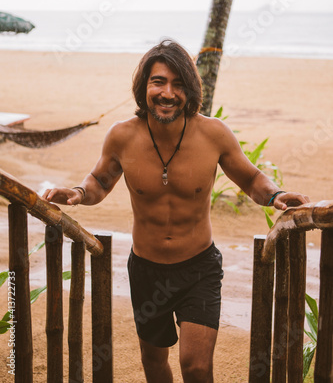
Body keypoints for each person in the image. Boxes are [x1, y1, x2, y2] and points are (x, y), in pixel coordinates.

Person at [43, 39, 309, 383]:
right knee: (154, 365)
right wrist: (78, 192)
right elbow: (99, 181)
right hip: (145, 270)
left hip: (198, 268)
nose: (168, 93)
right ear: (144, 87)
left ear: (190, 89)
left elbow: (251, 177)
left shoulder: (213, 134)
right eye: (158, 82)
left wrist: (277, 194)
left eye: (178, 83)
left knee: (196, 367)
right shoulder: (122, 136)